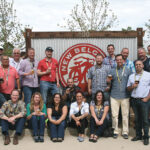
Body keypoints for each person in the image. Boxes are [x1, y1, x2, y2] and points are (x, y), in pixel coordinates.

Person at [127, 60, 150, 145]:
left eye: (140, 64)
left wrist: (147, 98)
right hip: (134, 100)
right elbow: (128, 88)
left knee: (145, 120)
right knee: (137, 119)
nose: (138, 66)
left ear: (143, 66)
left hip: (144, 100)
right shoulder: (131, 76)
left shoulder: (148, 75)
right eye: (136, 65)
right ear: (134, 66)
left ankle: (146, 137)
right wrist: (132, 86)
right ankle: (138, 135)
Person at [109, 54, 131, 139]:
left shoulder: (128, 70)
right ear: (115, 61)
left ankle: (125, 131)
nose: (119, 61)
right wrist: (108, 81)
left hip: (125, 96)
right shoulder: (112, 71)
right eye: (117, 60)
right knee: (114, 115)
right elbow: (109, 83)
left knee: (125, 115)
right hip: (114, 96)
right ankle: (115, 131)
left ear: (123, 60)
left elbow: (131, 82)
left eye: (120, 59)